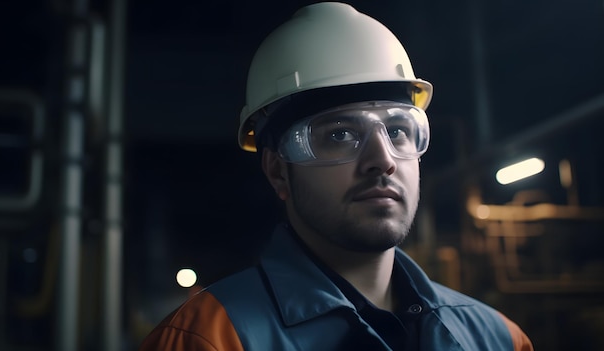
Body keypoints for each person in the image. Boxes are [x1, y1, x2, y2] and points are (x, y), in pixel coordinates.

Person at [139, 2, 534, 350]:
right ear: (278, 170)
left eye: (397, 130)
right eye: (340, 135)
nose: (383, 161)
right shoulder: (208, 341)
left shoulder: (498, 339)